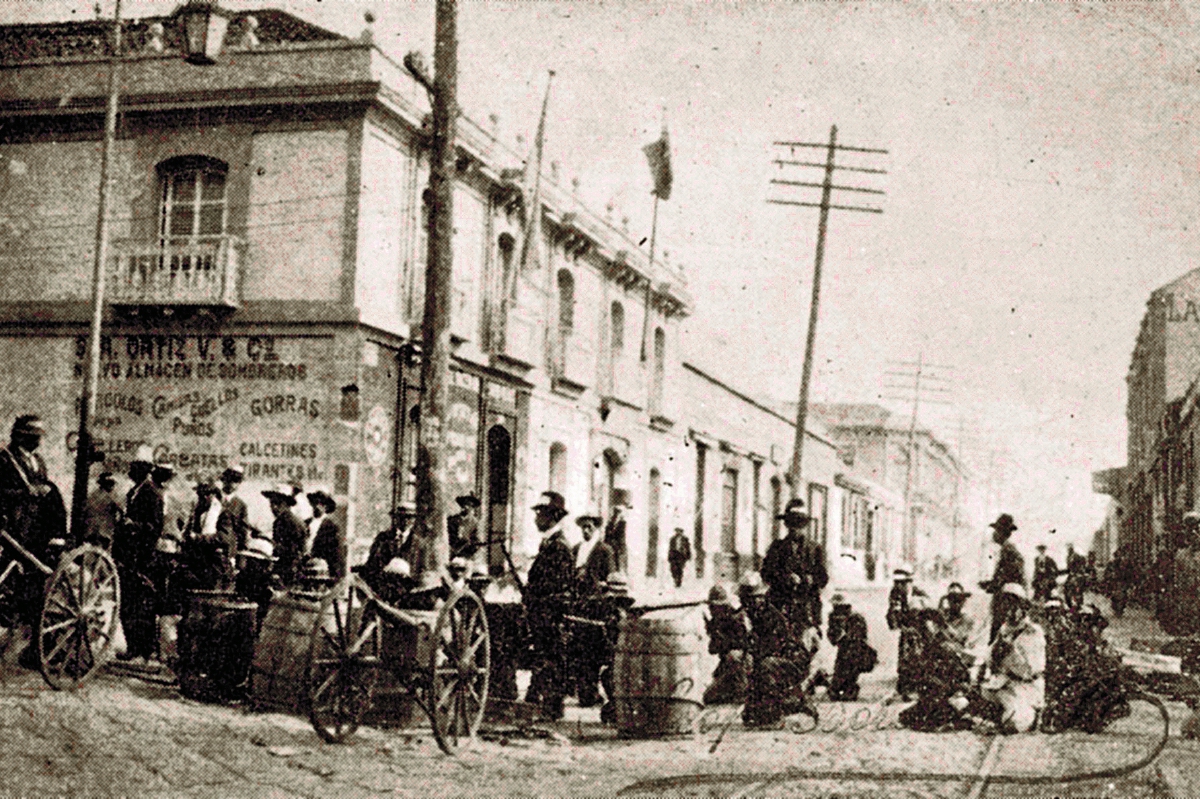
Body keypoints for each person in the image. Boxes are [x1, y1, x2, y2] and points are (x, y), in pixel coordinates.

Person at [740, 571, 816, 729]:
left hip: (792, 661)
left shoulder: (771, 617)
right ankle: (793, 702)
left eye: (755, 598)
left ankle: (778, 714)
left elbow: (772, 648)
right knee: (750, 715)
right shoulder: (752, 616)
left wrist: (752, 655)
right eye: (747, 599)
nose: (751, 603)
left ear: (762, 597)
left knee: (765, 666)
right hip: (774, 661)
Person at [523, 491, 575, 721]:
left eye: (540, 514)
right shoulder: (549, 543)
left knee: (552, 657)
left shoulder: (560, 546)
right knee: (544, 656)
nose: (536, 519)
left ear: (552, 517)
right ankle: (540, 702)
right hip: (542, 610)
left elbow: (559, 584)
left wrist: (535, 595)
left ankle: (552, 706)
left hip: (551, 613)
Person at [120, 462, 175, 661]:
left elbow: (155, 526)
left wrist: (133, 525)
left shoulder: (152, 493)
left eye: (134, 470)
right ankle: (135, 647)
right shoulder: (136, 491)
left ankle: (143, 649)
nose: (130, 473)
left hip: (144, 557)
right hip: (131, 556)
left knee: (142, 605)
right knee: (129, 603)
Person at [975, 583, 1046, 734]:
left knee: (1013, 723)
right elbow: (990, 656)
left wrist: (1011, 650)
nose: (1009, 611)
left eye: (1013, 606)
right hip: (1006, 684)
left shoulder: (1033, 632)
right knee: (976, 696)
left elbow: (1030, 670)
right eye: (1005, 606)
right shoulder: (1005, 629)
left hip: (1026, 687)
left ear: (1023, 608)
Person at [761, 498, 828, 649]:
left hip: (807, 609)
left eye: (799, 524)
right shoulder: (777, 547)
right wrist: (784, 578)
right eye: (791, 524)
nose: (795, 529)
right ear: (786, 524)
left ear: (805, 525)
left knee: (806, 649)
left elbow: (822, 578)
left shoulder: (815, 549)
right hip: (780, 607)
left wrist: (806, 580)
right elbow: (766, 573)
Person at [597, 573, 637, 724]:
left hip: (626, 655)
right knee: (608, 675)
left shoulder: (627, 612)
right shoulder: (607, 612)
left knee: (611, 675)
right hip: (616, 653)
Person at [979, 513, 1026, 642]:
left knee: (998, 633)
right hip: (1008, 597)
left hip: (1008, 599)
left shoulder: (1009, 551)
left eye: (997, 531)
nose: (994, 534)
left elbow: (1008, 577)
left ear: (1003, 532)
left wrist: (991, 586)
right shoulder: (1007, 549)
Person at [361, 503, 418, 602]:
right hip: (384, 587)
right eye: (400, 517)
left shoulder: (418, 541)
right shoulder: (383, 538)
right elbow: (372, 563)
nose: (405, 521)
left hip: (409, 589)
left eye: (409, 518)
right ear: (395, 519)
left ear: (414, 520)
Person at [703, 583, 749, 705]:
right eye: (711, 607)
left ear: (723, 606)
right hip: (726, 667)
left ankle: (742, 691)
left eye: (715, 607)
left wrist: (721, 639)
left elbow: (743, 646)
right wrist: (713, 631)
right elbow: (712, 649)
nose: (711, 610)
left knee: (733, 657)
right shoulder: (716, 622)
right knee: (709, 697)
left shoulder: (736, 619)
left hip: (742, 665)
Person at [887, 566, 922, 699]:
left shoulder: (919, 594)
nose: (899, 586)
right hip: (906, 631)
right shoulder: (895, 594)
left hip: (920, 631)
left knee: (917, 658)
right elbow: (893, 616)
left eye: (902, 582)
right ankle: (905, 687)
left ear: (909, 582)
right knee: (904, 657)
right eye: (896, 583)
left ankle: (916, 687)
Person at [263, 483, 306, 589]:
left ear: (287, 504)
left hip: (291, 573)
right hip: (281, 569)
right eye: (272, 503)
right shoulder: (278, 522)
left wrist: (269, 541)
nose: (274, 507)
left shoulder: (293, 523)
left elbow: (295, 552)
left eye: (278, 503)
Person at [828, 609, 876, 702]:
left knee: (844, 680)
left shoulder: (859, 645)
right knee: (837, 686)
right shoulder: (846, 643)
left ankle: (847, 689)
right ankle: (842, 688)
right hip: (844, 668)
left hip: (850, 667)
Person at [306, 488, 345, 583]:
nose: (317, 506)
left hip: (323, 570)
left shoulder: (331, 527)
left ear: (326, 507)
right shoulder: (306, 523)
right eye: (315, 503)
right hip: (305, 566)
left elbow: (336, 554)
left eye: (321, 504)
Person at [216, 465, 249, 577]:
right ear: (223, 480)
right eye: (229, 480)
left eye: (235, 481)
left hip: (229, 551)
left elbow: (242, 533)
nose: (231, 484)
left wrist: (239, 557)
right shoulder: (213, 498)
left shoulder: (240, 505)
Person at [573, 512, 615, 599]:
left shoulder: (605, 549)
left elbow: (611, 575)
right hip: (577, 594)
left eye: (589, 526)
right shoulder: (576, 549)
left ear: (595, 528)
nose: (585, 530)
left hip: (596, 595)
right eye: (583, 527)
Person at [1172, 513, 1200, 637]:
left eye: (1196, 529)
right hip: (1189, 602)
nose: (1193, 533)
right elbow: (1178, 580)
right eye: (1189, 530)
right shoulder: (1181, 555)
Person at [939, 582, 976, 665]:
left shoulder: (968, 621)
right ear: (948, 601)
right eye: (953, 599)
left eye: (959, 600)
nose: (956, 603)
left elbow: (970, 643)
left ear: (963, 601)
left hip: (960, 660)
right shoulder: (941, 617)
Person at [84, 470, 122, 549]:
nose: (112, 486)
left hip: (91, 530)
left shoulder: (92, 495)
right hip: (104, 530)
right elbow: (120, 512)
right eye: (110, 484)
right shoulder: (112, 496)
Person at [448, 494, 482, 561]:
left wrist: (473, 544)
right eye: (464, 504)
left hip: (467, 554)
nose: (466, 507)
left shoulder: (474, 522)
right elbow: (449, 536)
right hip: (453, 553)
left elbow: (475, 538)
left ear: (472, 508)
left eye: (469, 505)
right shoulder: (452, 520)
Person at [604, 489, 630, 574]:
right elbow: (607, 538)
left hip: (619, 554)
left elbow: (623, 543)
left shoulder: (624, 523)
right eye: (616, 510)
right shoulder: (610, 523)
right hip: (610, 554)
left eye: (620, 511)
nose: (618, 513)